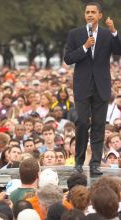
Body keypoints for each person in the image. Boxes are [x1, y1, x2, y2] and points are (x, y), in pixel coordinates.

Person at [64, 1, 121, 176]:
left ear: (100, 16)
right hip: (82, 86)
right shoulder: (75, 34)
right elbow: (68, 58)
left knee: (98, 125)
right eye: (87, 12)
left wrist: (113, 31)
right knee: (82, 122)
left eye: (93, 12)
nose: (90, 15)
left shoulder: (106, 34)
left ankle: (95, 163)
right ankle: (79, 162)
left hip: (101, 86)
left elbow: (118, 50)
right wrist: (85, 47)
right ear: (85, 15)